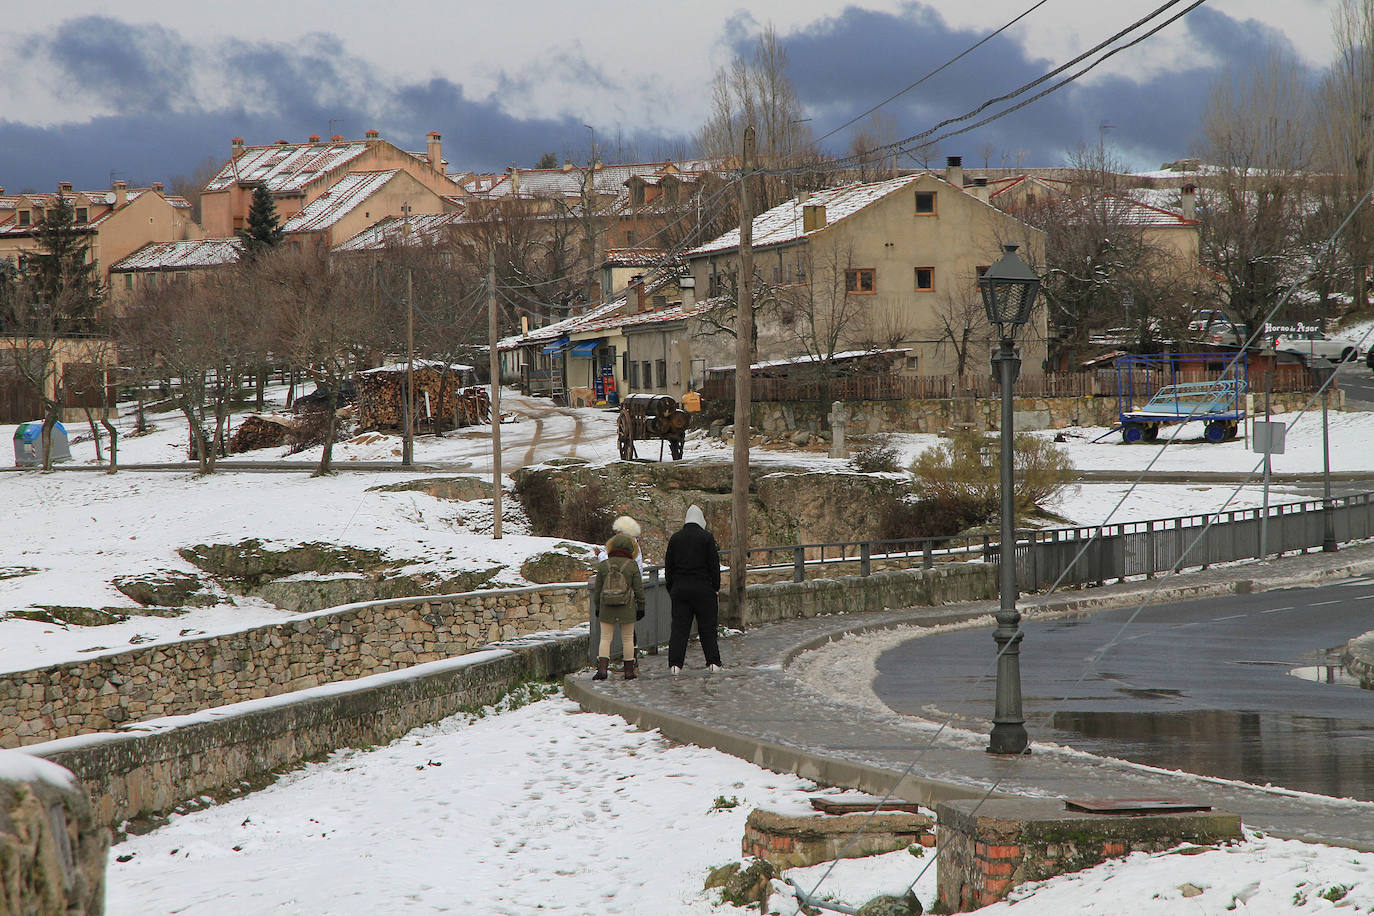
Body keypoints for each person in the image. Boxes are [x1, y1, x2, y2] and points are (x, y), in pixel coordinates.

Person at [663, 504, 723, 674]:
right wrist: (715, 587)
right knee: (707, 628)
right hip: (703, 590)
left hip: (680, 590)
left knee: (679, 629)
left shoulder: (675, 538)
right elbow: (714, 565)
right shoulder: (706, 538)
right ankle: (713, 662)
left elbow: (669, 567)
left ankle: (675, 665)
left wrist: (672, 588)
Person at [591, 516, 645, 681]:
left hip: (607, 605)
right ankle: (629, 671)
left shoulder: (604, 564)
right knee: (628, 638)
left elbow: (598, 588)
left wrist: (598, 606)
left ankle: (602, 671)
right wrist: (641, 606)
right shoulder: (632, 564)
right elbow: (639, 587)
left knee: (605, 638)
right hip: (627, 605)